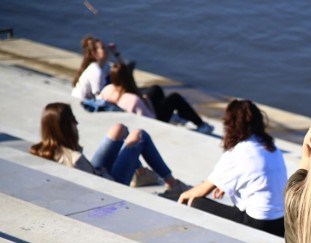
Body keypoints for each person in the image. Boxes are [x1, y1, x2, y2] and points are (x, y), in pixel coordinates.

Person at [175, 99, 286, 236]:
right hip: (281, 222)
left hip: (259, 224)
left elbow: (201, 191)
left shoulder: (239, 152)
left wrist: (182, 197)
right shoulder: (272, 148)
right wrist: (222, 184)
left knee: (196, 202)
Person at [30, 102, 186, 192]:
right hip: (110, 185)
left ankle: (139, 172)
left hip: (94, 172)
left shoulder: (39, 151)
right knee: (140, 136)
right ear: (64, 127)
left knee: (119, 129)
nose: (77, 124)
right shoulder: (75, 160)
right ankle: (172, 184)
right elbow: (97, 189)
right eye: (73, 120)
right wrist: (104, 173)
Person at [99, 63, 214, 134]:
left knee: (155, 89)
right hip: (154, 119)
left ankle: (179, 116)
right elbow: (150, 119)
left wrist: (145, 100)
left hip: (129, 110)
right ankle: (201, 125)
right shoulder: (133, 99)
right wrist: (145, 103)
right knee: (175, 98)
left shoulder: (108, 89)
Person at [71, 35, 126, 101]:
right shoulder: (95, 70)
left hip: (88, 101)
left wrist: (116, 53)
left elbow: (123, 70)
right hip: (80, 102)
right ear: (94, 53)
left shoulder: (105, 66)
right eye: (103, 48)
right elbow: (99, 97)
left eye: (106, 47)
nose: (106, 50)